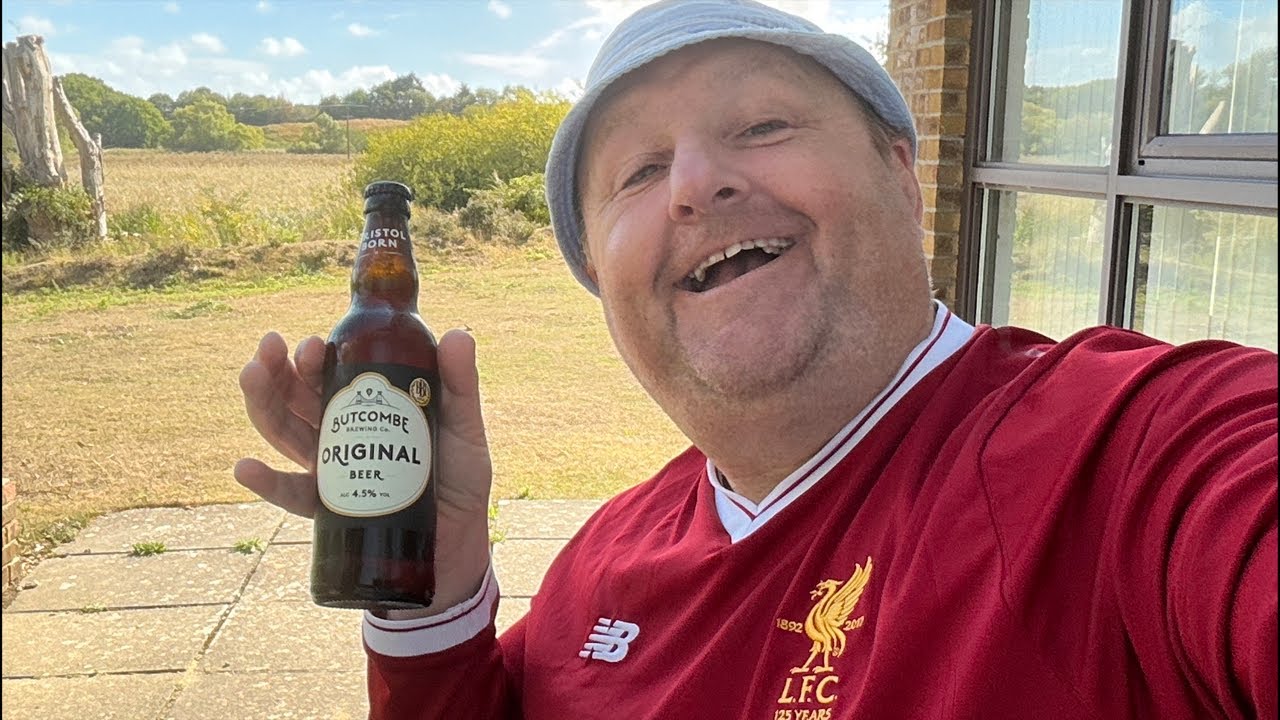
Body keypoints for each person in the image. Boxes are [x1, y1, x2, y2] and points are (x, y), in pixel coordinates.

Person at [235, 1, 1278, 717]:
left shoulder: (1131, 455)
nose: (696, 184)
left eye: (763, 124)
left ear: (901, 173)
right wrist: (434, 589)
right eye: (638, 171)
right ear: (600, 275)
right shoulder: (604, 559)